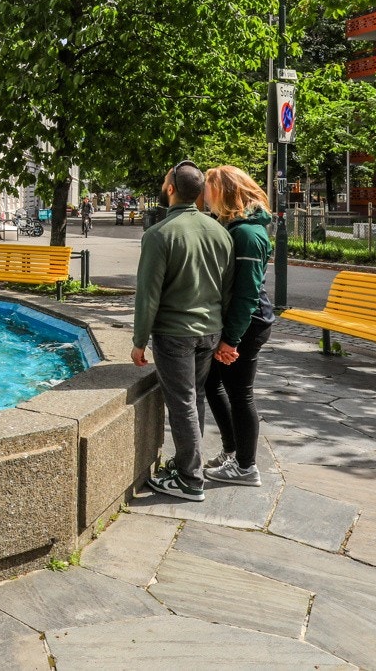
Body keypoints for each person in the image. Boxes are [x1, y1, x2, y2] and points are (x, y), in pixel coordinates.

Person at [132, 160, 234, 502]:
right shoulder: (219, 231)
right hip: (210, 330)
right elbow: (228, 288)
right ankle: (188, 464)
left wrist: (138, 341)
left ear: (171, 189)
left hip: (175, 333)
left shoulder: (159, 235)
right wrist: (224, 334)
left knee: (183, 404)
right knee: (196, 398)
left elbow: (148, 295)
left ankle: (190, 480)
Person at [202, 166, 275, 487]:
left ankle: (246, 467)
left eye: (209, 189)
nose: (205, 195)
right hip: (240, 321)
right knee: (213, 383)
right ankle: (233, 452)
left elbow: (247, 293)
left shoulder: (247, 234)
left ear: (224, 192)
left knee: (240, 393)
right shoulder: (236, 228)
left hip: (248, 323)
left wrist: (231, 339)